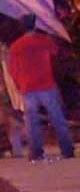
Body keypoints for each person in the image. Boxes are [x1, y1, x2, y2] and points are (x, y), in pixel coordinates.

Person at [7, 13, 75, 161]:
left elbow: (12, 69)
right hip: (46, 84)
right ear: (34, 25)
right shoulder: (44, 40)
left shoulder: (16, 46)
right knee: (57, 118)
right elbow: (56, 51)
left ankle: (36, 153)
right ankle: (67, 149)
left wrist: (19, 84)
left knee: (32, 122)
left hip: (27, 87)